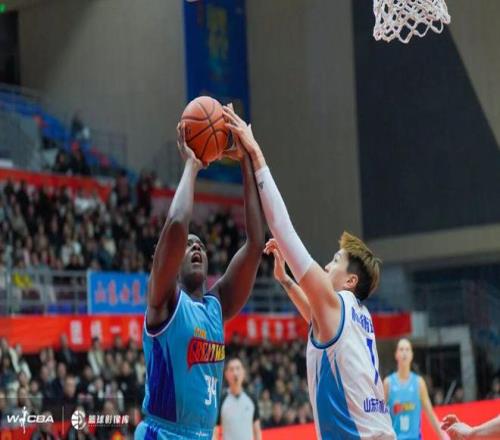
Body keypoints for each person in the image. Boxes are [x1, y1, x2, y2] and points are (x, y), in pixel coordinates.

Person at [223, 105, 395, 439]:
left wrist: (255, 154)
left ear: (350, 280)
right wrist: (285, 280)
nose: (327, 265)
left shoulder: (336, 304)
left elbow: (283, 230)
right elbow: (314, 316)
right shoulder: (358, 317)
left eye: (335, 260)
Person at [134, 118, 265, 439]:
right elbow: (178, 224)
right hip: (163, 433)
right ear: (172, 260)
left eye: (202, 246)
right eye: (188, 245)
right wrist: (192, 166)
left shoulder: (216, 306)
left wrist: (246, 160)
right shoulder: (164, 300)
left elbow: (255, 244)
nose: (196, 248)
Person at [383, 338, 445, 439]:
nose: (404, 353)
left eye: (407, 349)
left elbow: (430, 414)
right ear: (396, 354)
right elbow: (379, 416)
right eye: (401, 349)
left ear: (412, 355)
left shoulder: (419, 383)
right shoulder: (388, 383)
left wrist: (444, 437)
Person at [213, 358, 262, 440]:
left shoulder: (252, 398)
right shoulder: (221, 400)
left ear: (243, 372)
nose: (235, 373)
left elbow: (257, 430)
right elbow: (215, 431)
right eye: (231, 369)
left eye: (238, 368)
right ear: (226, 374)